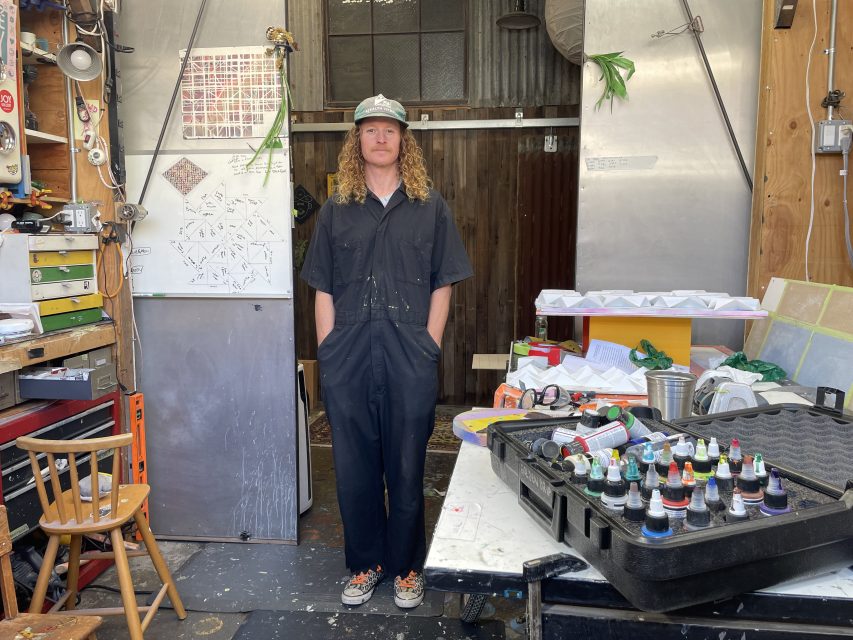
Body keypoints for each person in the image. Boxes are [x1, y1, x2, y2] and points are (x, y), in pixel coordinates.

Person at [300, 94, 473, 609]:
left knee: (405, 464)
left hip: (407, 352)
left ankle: (405, 569)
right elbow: (323, 287)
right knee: (353, 467)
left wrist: (429, 344)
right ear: (357, 140)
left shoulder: (429, 207)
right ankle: (365, 565)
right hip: (349, 351)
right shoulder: (336, 211)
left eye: (389, 130)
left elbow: (444, 282)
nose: (380, 138)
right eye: (370, 129)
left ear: (403, 141)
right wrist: (329, 349)